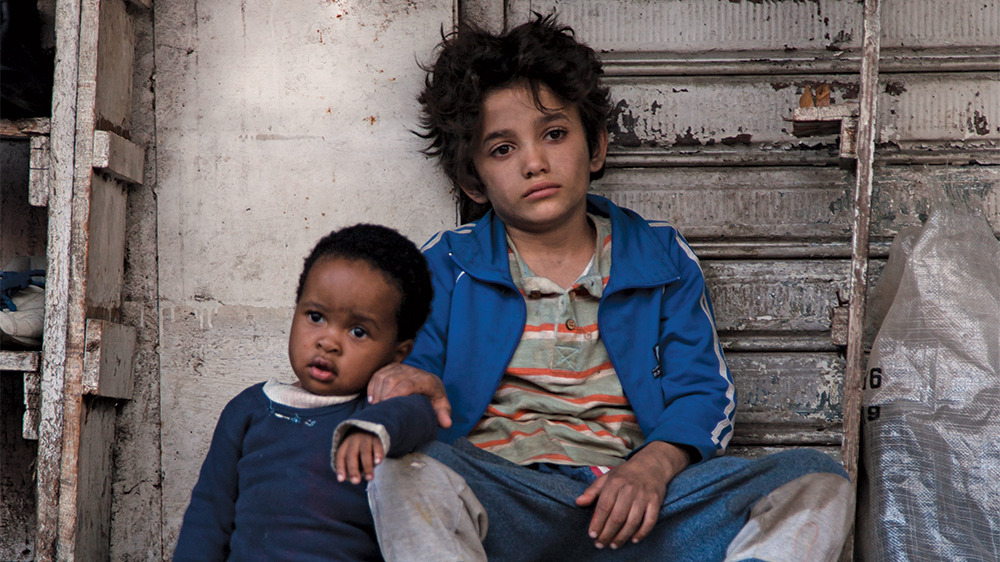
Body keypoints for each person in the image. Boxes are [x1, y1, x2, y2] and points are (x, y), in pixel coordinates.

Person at [364, 14, 855, 562]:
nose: (534, 162)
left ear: (596, 147)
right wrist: (405, 382)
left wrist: (652, 467)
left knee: (814, 478)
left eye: (554, 134)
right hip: (504, 504)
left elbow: (703, 394)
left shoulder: (659, 256)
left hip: (635, 510)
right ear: (472, 181)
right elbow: (417, 381)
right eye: (502, 149)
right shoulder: (446, 263)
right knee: (401, 470)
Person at [173, 224, 437, 562]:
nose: (328, 342)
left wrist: (374, 427)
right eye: (315, 316)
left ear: (398, 354)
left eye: (358, 332)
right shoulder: (249, 411)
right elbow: (208, 518)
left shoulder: (377, 411)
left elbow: (421, 415)